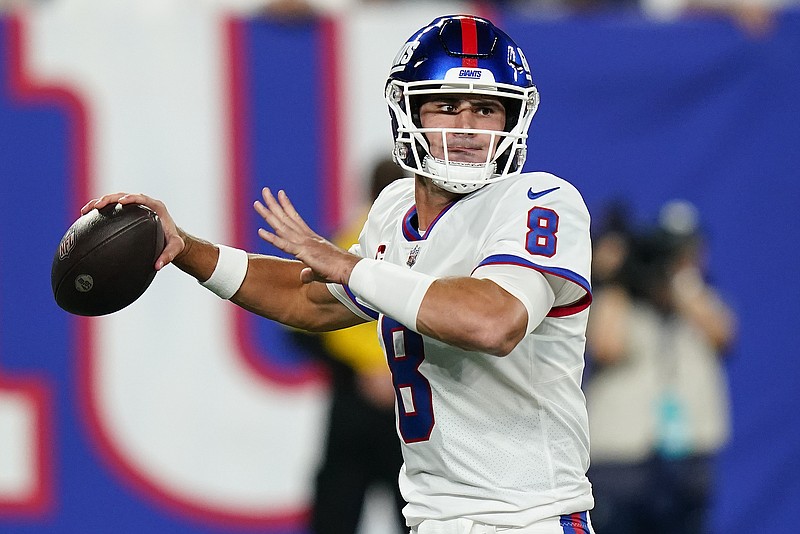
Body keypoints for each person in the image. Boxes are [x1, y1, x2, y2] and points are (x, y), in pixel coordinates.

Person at [82, 15, 595, 534]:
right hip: (433, 519)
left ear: (512, 119)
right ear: (409, 113)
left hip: (529, 520)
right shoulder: (395, 210)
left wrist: (352, 266)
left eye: (485, 109)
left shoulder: (539, 200)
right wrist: (186, 248)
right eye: (445, 105)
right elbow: (310, 301)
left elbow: (492, 321)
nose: (464, 126)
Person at [584, 200, 735, 534]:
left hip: (684, 461)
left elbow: (723, 335)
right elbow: (606, 347)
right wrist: (621, 278)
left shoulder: (699, 299)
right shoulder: (619, 301)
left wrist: (680, 281)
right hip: (621, 465)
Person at [303, 158, 407, 534]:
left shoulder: (343, 242)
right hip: (409, 403)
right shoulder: (425, 251)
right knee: (421, 515)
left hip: (351, 403)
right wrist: (390, 374)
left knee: (336, 516)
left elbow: (301, 327)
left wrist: (354, 371)